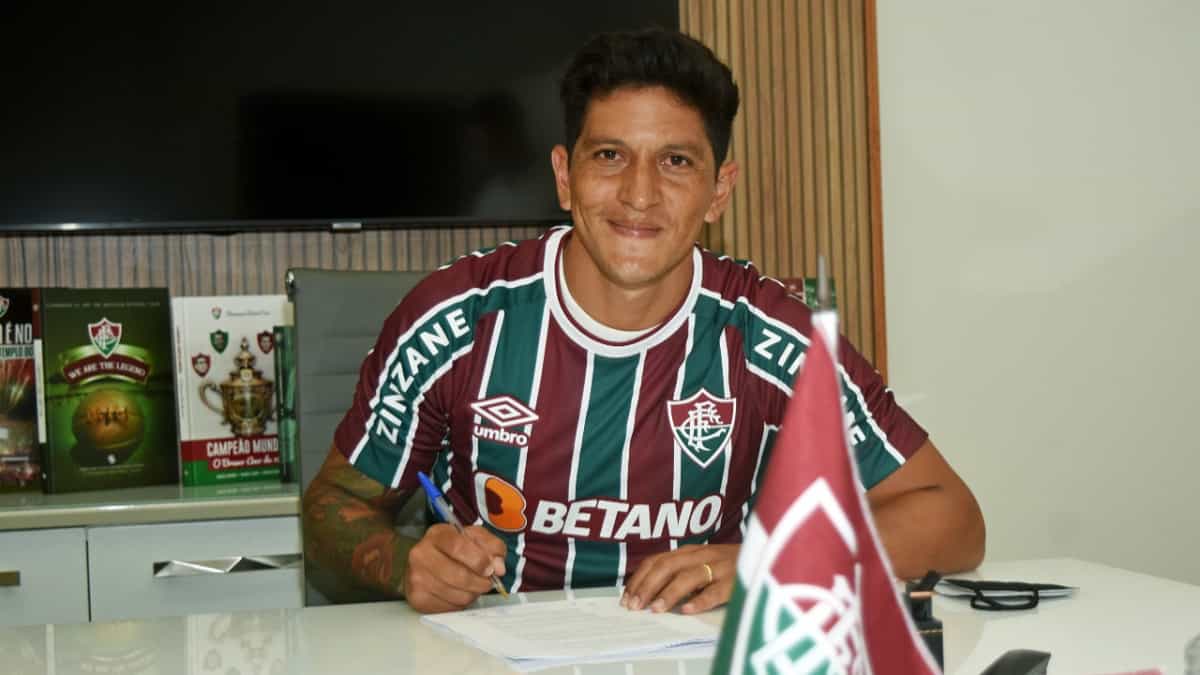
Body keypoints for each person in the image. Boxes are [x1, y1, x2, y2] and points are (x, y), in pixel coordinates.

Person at [302, 27, 985, 615]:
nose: (638, 193)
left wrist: (762, 562)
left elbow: (953, 520)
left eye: (676, 161)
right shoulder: (454, 318)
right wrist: (403, 564)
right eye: (610, 156)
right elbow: (329, 515)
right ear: (565, 177)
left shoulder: (772, 336)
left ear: (720, 190)